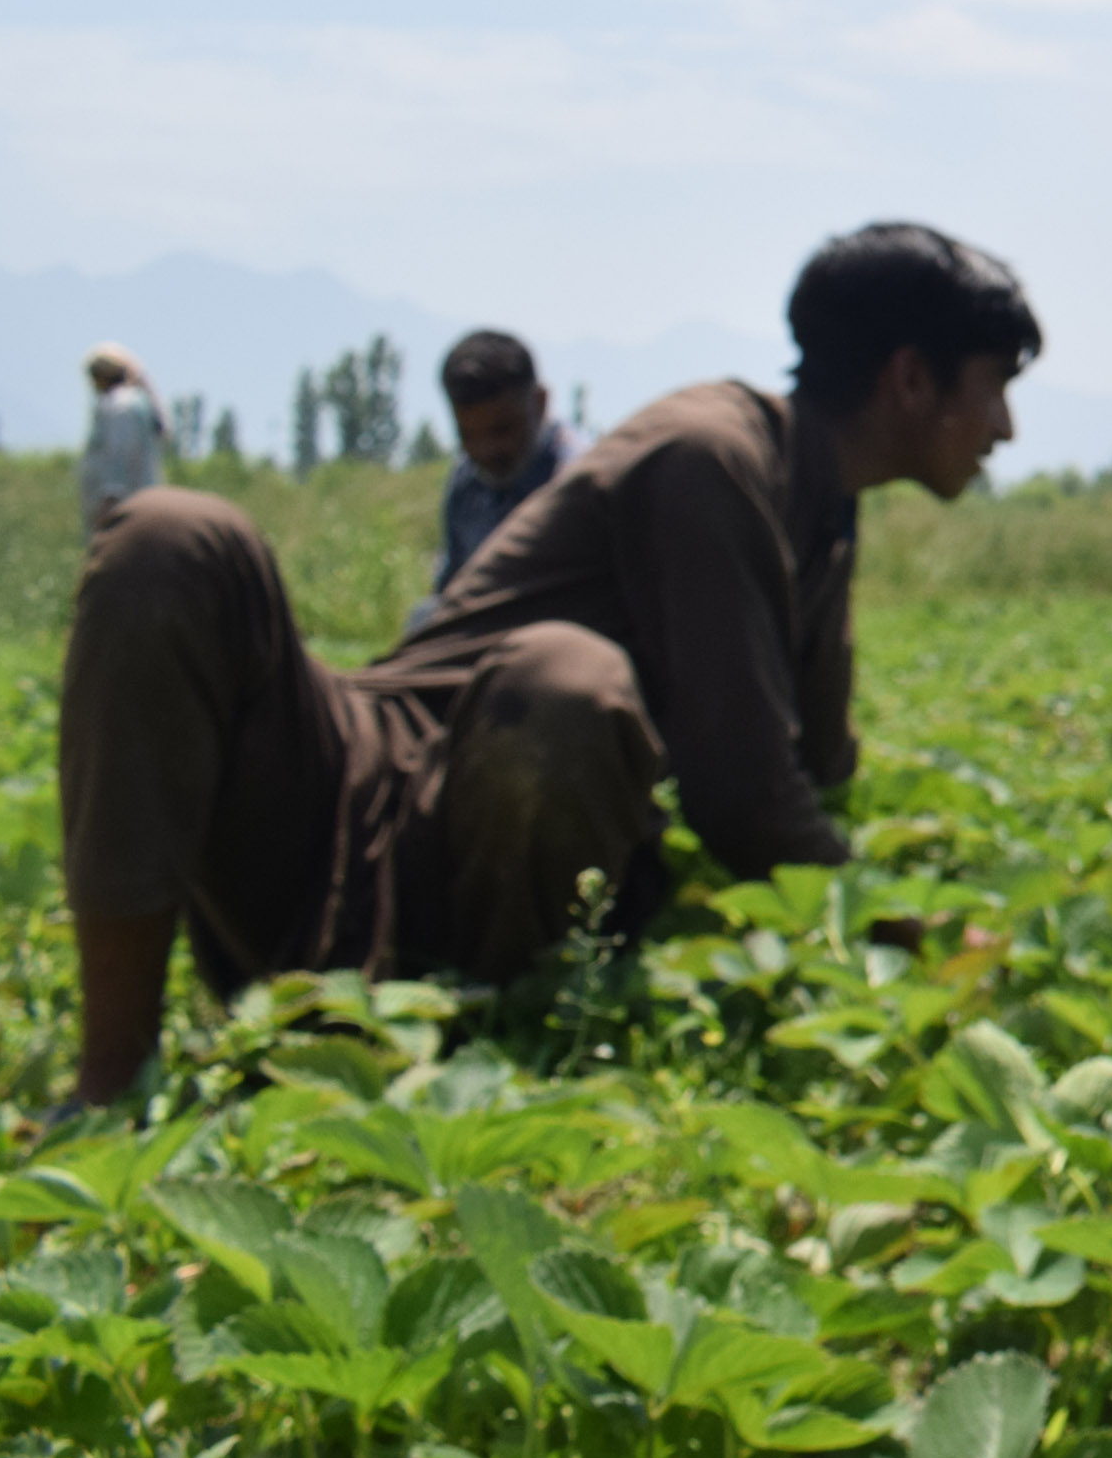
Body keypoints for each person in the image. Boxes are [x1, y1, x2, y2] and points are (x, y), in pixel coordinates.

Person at [54, 222, 1038, 1107]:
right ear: (911, 379)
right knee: (173, 538)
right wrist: (920, 946)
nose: (1004, 426)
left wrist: (873, 939)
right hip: (350, 807)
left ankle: (472, 1032)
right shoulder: (711, 455)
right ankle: (109, 1081)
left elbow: (810, 786)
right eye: (993, 385)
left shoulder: (821, 513)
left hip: (505, 869)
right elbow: (745, 795)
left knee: (562, 688)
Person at [405, 330, 581, 635]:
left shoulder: (577, 481)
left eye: (502, 430)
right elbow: (452, 590)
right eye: (468, 435)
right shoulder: (466, 483)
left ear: (540, 403)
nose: (486, 451)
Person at [77, 343, 165, 528]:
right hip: (134, 504)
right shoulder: (131, 402)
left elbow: (120, 454)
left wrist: (111, 499)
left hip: (122, 508)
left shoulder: (121, 407)